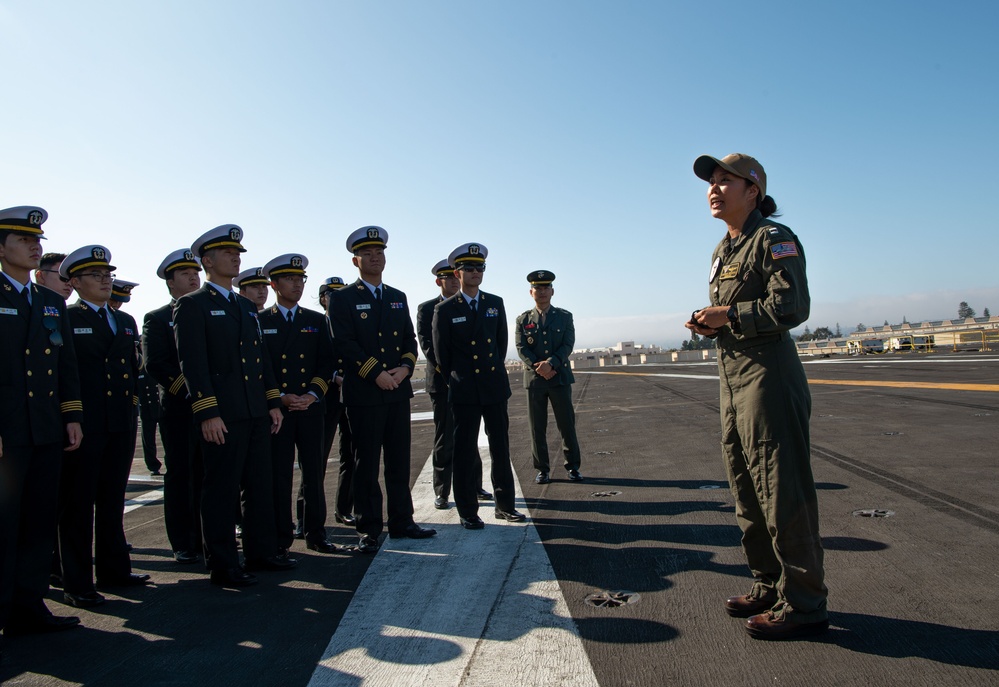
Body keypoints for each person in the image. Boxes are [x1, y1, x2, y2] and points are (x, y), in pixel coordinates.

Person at [687, 153, 828, 640]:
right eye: (711, 182)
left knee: (782, 488)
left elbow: (792, 306)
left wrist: (729, 315)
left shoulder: (774, 239)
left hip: (768, 376)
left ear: (754, 190)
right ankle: (767, 582)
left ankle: (805, 603)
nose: (714, 188)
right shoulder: (722, 251)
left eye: (726, 180)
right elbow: (738, 311)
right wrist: (710, 322)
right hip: (732, 379)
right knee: (746, 488)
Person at [173, 224, 294, 587]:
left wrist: (272, 402)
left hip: (256, 411)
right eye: (228, 253)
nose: (236, 257)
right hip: (223, 415)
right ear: (207, 261)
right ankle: (223, 563)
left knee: (259, 485)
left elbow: (261, 361)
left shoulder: (244, 305)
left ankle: (260, 552)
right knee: (222, 489)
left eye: (238, 253)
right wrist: (207, 412)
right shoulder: (192, 305)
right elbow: (192, 364)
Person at [0, 207, 83, 652]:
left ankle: (28, 608)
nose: (35, 245)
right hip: (6, 433)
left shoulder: (51, 302)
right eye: (22, 239)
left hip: (46, 429)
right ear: (1, 248)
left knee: (36, 523)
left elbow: (65, 365)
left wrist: (71, 416)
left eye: (37, 239)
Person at [327, 226, 435, 552]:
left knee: (399, 462)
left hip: (397, 391)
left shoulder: (396, 297)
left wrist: (404, 368)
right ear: (355, 260)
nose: (376, 258)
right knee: (366, 464)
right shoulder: (342, 299)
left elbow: (409, 340)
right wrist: (375, 373)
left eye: (380, 253)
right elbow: (342, 342)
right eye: (368, 254)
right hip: (364, 395)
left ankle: (402, 521)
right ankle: (369, 528)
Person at [57, 245, 149, 608]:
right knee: (78, 505)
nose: (105, 281)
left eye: (108, 275)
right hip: (85, 423)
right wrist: (71, 416)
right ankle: (77, 583)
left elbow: (131, 370)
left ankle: (115, 571)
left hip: (119, 422)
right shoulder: (66, 317)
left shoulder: (124, 321)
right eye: (96, 275)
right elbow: (66, 373)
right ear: (76, 282)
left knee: (111, 500)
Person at [432, 242, 525, 530]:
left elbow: (500, 345)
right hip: (464, 390)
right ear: (457, 273)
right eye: (469, 268)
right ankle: (468, 511)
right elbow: (441, 356)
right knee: (463, 451)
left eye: (480, 267)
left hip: (494, 387)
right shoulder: (445, 310)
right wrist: (460, 380)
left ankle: (505, 506)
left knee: (501, 448)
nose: (475, 272)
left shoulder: (494, 303)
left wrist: (489, 372)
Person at [259, 254, 342, 555]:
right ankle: (282, 536)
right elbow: (260, 366)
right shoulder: (260, 321)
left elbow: (326, 362)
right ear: (274, 284)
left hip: (309, 407)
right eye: (290, 279)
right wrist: (279, 396)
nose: (297, 284)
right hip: (278, 410)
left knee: (314, 472)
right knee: (279, 475)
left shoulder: (315, 320)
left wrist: (311, 394)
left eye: (300, 279)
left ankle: (316, 533)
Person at [141, 249, 204, 564]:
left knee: (209, 475)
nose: (194, 277)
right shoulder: (157, 318)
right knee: (181, 475)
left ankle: (208, 537)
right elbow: (156, 365)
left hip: (214, 409)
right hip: (180, 410)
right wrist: (194, 393)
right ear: (170, 283)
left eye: (196, 272)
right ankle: (183, 541)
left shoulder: (211, 312)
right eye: (185, 274)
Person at [416, 259, 490, 509]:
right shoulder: (428, 309)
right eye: (447, 278)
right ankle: (442, 490)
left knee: (470, 437)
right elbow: (429, 347)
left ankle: (475, 484)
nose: (452, 281)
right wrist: (451, 375)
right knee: (445, 437)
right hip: (443, 383)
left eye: (453, 276)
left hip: (469, 384)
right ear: (439, 281)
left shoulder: (469, 305)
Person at [515, 270, 582, 484]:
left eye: (546, 288)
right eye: (538, 288)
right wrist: (540, 368)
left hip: (559, 377)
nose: (542, 292)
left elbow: (567, 345)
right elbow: (521, 347)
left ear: (552, 291)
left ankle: (572, 467)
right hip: (535, 381)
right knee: (537, 427)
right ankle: (542, 469)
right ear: (530, 291)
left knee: (566, 425)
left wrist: (551, 364)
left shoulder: (564, 316)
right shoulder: (523, 319)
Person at [307, 277, 355, 533]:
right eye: (330, 293)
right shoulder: (314, 324)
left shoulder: (349, 321)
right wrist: (332, 378)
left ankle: (344, 509)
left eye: (339, 292)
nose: (335, 297)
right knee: (317, 458)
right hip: (324, 396)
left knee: (350, 454)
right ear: (322, 298)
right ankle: (307, 517)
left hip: (349, 395)